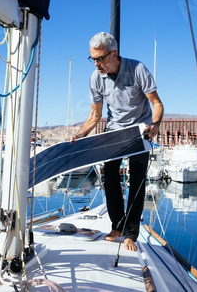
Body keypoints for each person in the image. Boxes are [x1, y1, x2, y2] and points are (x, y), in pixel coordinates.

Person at [69, 32, 163, 251]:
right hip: (113, 131)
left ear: (114, 54)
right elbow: (95, 115)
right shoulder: (95, 78)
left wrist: (156, 124)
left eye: (100, 58)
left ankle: (131, 233)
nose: (96, 63)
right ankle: (117, 227)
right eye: (93, 59)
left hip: (140, 131)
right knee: (110, 178)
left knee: (136, 182)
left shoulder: (137, 69)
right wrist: (80, 135)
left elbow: (157, 104)